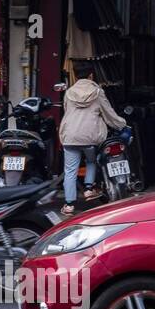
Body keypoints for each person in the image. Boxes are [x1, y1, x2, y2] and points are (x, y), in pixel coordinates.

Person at [58, 64, 127, 216]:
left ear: (75, 76)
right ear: (91, 76)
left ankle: (69, 205)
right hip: (90, 137)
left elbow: (67, 111)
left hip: (70, 136)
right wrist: (122, 124)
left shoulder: (69, 93)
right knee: (91, 161)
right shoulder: (97, 92)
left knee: (70, 171)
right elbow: (109, 114)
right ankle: (89, 189)